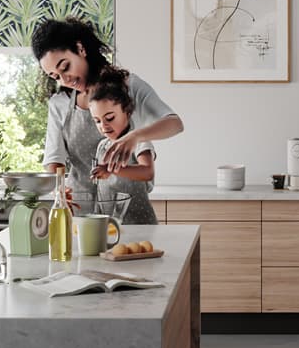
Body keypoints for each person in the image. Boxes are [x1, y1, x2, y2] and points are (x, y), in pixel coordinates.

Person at [31, 17, 184, 196]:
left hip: (126, 208)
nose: (65, 80)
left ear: (80, 49)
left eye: (65, 67)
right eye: (55, 76)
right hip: (81, 208)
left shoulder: (128, 86)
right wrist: (60, 190)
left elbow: (174, 124)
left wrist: (134, 137)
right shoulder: (60, 103)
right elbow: (54, 160)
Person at [88, 66, 159, 225]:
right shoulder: (102, 146)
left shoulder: (139, 139)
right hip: (111, 226)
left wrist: (110, 170)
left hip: (140, 225)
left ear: (127, 112)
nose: (103, 126)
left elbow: (147, 172)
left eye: (110, 118)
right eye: (97, 121)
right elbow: (102, 190)